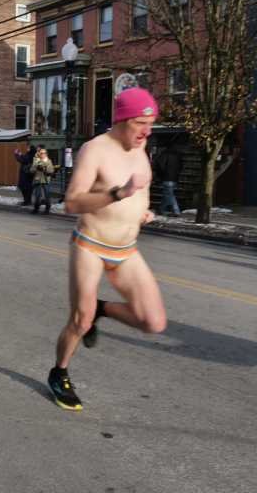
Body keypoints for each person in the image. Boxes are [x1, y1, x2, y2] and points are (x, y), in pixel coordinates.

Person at [48, 88, 166, 411]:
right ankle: (59, 372)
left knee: (153, 321)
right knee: (80, 321)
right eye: (140, 123)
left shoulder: (141, 148)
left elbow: (140, 190)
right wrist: (118, 194)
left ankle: (102, 309)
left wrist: (141, 211)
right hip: (90, 245)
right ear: (122, 120)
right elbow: (72, 202)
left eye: (151, 124)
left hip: (126, 249)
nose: (147, 131)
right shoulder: (95, 150)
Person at [154, 144, 182, 217]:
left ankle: (176, 211)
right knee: (167, 194)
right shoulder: (177, 155)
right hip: (175, 178)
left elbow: (160, 166)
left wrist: (159, 175)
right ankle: (161, 209)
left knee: (169, 194)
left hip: (167, 177)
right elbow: (181, 166)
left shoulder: (164, 155)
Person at [30, 146, 55, 214]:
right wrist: (36, 167)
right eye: (41, 153)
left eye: (44, 153)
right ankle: (36, 208)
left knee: (47, 195)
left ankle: (47, 209)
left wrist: (44, 169)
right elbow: (31, 170)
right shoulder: (36, 161)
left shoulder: (48, 161)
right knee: (37, 195)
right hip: (38, 180)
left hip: (46, 180)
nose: (42, 154)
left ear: (46, 154)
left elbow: (51, 170)